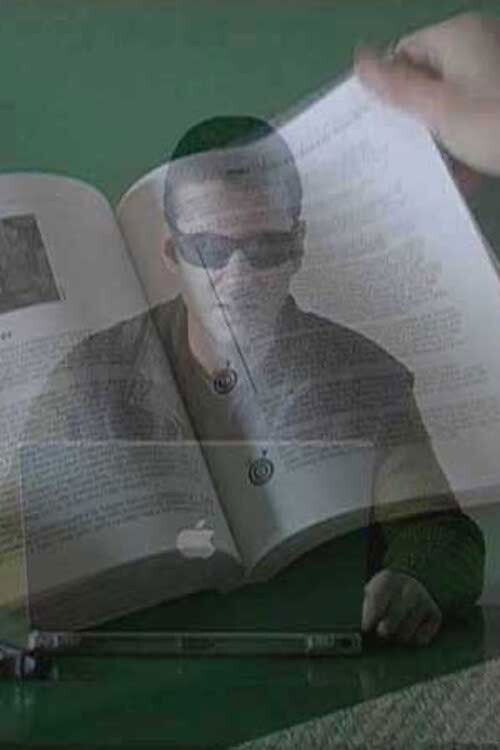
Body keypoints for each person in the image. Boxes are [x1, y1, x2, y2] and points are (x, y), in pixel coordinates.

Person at [22, 110, 485, 646]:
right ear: (173, 253)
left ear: (297, 245)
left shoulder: (366, 373)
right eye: (211, 250)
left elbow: (441, 533)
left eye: (264, 249)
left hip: (322, 658)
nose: (238, 276)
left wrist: (414, 577)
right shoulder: (88, 376)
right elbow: (32, 546)